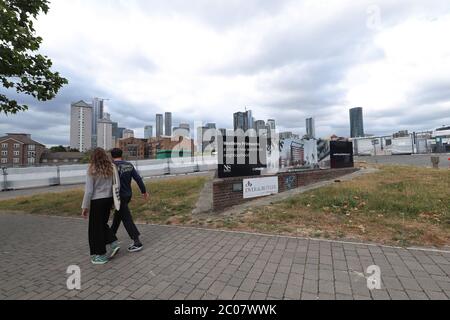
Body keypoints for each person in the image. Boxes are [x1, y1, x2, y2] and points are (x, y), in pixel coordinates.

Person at [81, 148, 121, 265]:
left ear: (93, 157)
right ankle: (113, 243)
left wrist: (85, 207)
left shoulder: (91, 169)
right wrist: (115, 200)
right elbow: (115, 183)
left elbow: (88, 191)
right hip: (108, 199)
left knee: (95, 229)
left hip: (96, 201)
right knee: (102, 224)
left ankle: (100, 256)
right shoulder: (111, 167)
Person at [110, 148, 149, 252]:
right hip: (127, 195)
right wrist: (143, 191)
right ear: (121, 155)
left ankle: (137, 242)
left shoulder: (111, 166)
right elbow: (138, 179)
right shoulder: (129, 165)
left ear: (111, 156)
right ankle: (110, 237)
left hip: (118, 196)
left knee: (126, 218)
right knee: (118, 217)